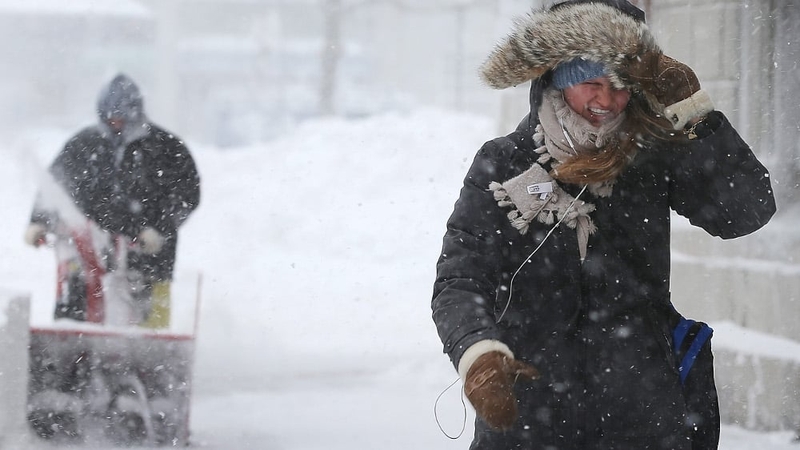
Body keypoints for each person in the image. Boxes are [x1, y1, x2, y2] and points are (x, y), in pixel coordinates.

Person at [431, 1, 776, 449]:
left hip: (642, 412)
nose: (606, 101)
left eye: (620, 86)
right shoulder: (504, 161)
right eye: (591, 83)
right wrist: (478, 352)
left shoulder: (652, 156)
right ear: (557, 78)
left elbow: (745, 212)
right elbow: (461, 278)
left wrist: (694, 112)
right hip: (529, 414)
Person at [24, 73, 200, 329]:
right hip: (91, 248)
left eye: (121, 118)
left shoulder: (166, 148)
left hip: (150, 257)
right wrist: (39, 221)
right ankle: (72, 344)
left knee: (149, 324)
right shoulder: (84, 144)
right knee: (76, 303)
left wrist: (159, 230)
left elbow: (187, 196)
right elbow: (55, 186)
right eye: (109, 118)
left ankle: (148, 350)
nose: (115, 123)